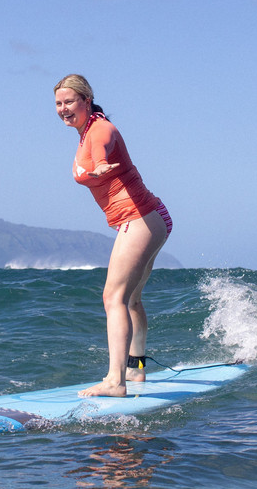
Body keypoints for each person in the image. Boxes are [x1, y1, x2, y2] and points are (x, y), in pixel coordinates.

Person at [54, 74, 172, 398]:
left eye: (69, 102)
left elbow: (103, 146)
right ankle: (137, 370)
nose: (63, 109)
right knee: (131, 299)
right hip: (150, 217)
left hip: (140, 218)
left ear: (86, 99)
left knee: (113, 298)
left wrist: (103, 164)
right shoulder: (86, 132)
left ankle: (115, 382)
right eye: (58, 104)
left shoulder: (99, 128)